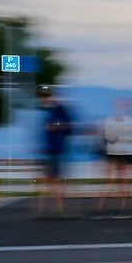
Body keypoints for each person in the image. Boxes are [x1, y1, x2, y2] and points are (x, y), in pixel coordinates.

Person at [96, 99, 132, 217]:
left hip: (126, 153)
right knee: (111, 180)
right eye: (119, 106)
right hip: (113, 153)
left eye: (123, 106)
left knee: (125, 182)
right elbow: (109, 137)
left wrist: (123, 137)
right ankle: (100, 208)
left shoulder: (130, 121)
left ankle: (121, 208)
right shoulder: (109, 121)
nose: (121, 108)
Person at [36, 85, 75, 217]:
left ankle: (57, 209)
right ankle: (45, 208)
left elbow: (69, 127)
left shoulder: (60, 110)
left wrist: (55, 127)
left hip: (56, 150)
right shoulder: (46, 111)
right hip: (48, 149)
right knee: (47, 179)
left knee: (54, 179)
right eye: (42, 96)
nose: (44, 99)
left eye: (46, 96)